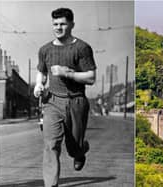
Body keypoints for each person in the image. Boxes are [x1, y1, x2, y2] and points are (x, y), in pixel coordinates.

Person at [33, 8, 96, 187]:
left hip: (76, 102)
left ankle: (80, 151)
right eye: (55, 24)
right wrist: (39, 84)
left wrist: (67, 73)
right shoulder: (45, 50)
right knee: (50, 145)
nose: (58, 27)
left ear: (71, 25)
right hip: (52, 102)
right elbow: (41, 72)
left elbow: (91, 77)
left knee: (73, 147)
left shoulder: (82, 48)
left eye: (62, 24)